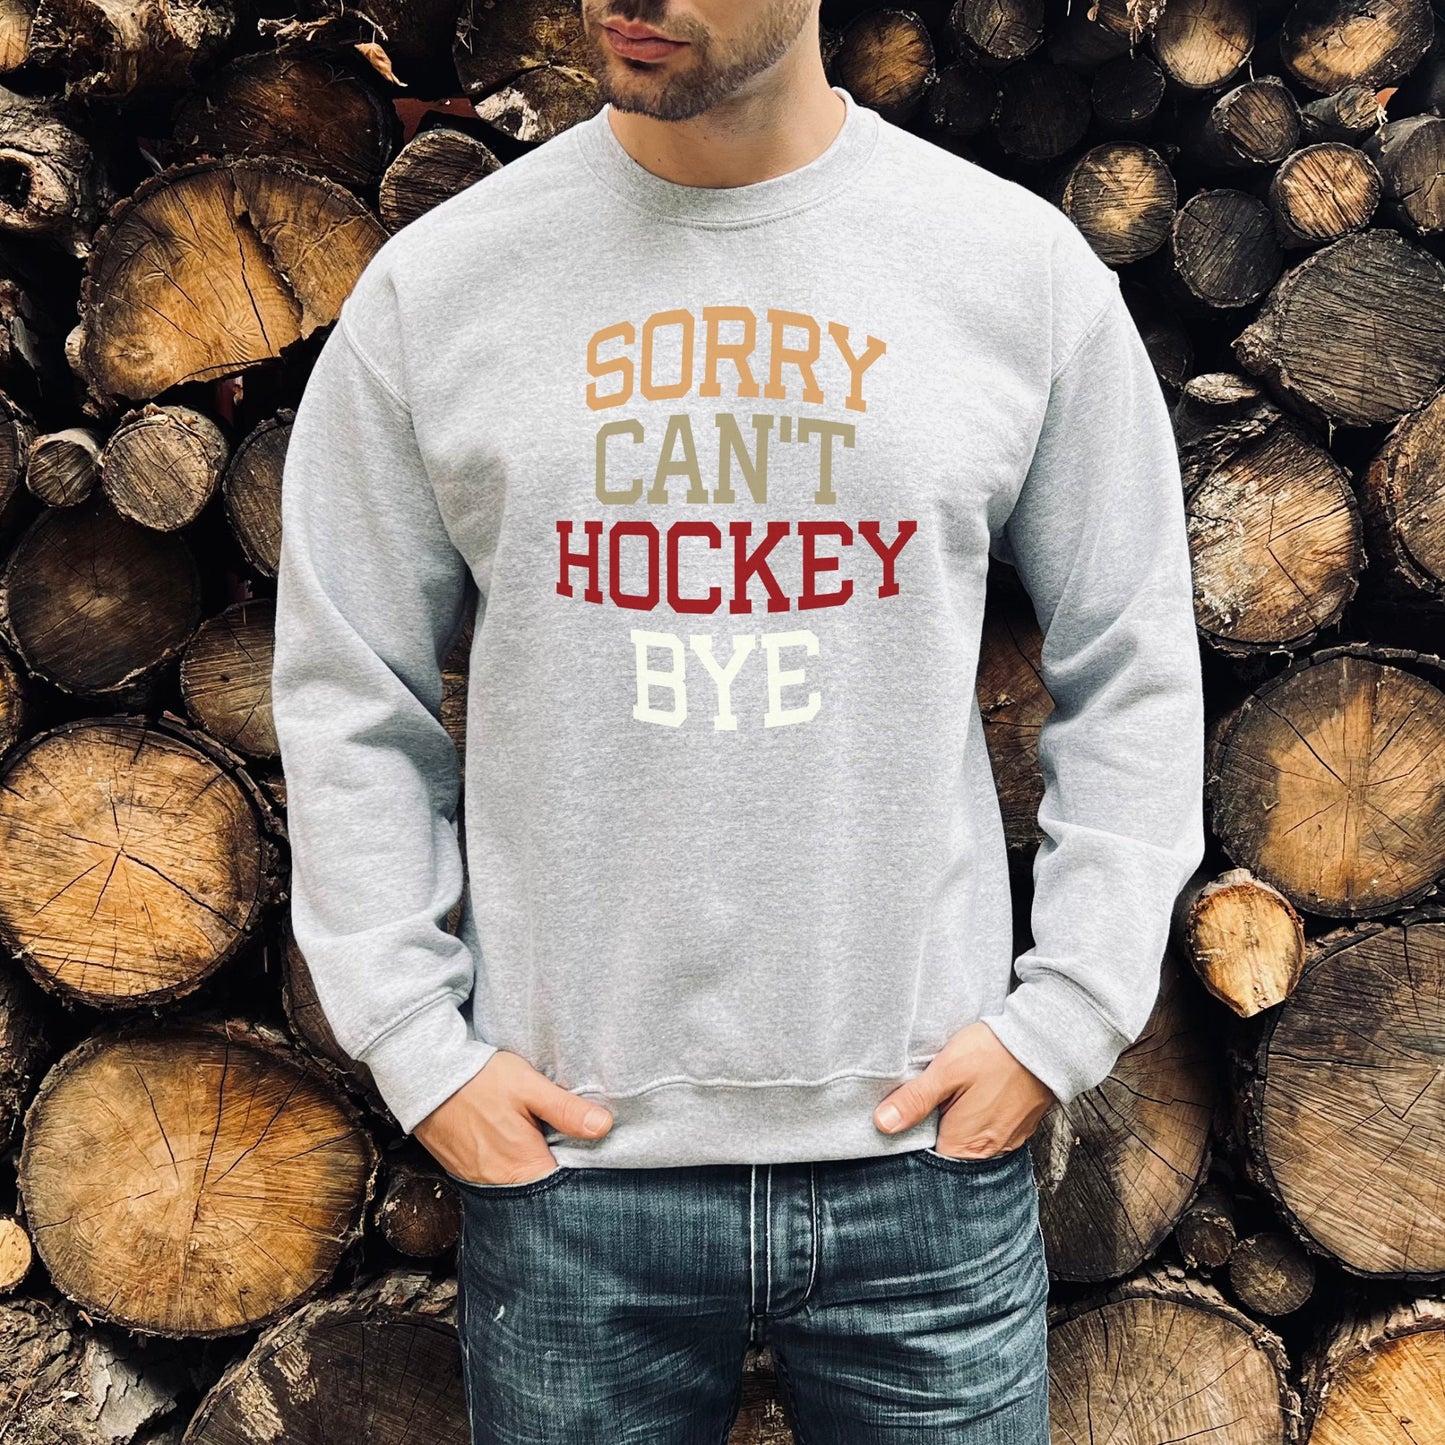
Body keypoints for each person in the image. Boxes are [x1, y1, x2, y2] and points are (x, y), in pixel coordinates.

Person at [270, 0, 1206, 1438]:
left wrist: (1061, 1017)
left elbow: (1130, 656)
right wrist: (415, 1042)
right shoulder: (443, 289)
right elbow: (349, 687)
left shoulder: (1007, 272)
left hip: (921, 1174)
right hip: (574, 1180)